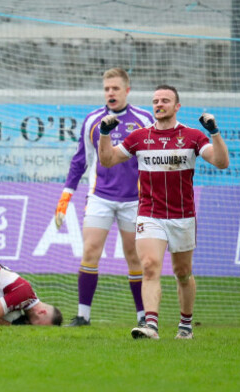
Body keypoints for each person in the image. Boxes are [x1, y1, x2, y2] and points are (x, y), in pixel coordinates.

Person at [97, 84, 229, 339]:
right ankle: (151, 326)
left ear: (177, 106)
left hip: (182, 216)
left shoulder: (192, 136)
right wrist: (105, 133)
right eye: (156, 100)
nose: (159, 104)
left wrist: (214, 133)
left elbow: (221, 162)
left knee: (182, 273)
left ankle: (186, 325)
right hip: (150, 214)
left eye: (165, 101)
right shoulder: (139, 137)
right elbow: (108, 160)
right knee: (149, 266)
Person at [54, 68, 154, 327]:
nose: (111, 93)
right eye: (107, 89)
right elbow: (80, 161)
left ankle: (143, 318)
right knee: (90, 251)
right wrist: (65, 198)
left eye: (115, 88)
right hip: (100, 196)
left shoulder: (143, 119)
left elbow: (152, 159)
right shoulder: (92, 120)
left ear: (127, 90)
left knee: (135, 257)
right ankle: (83, 316)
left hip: (134, 199)